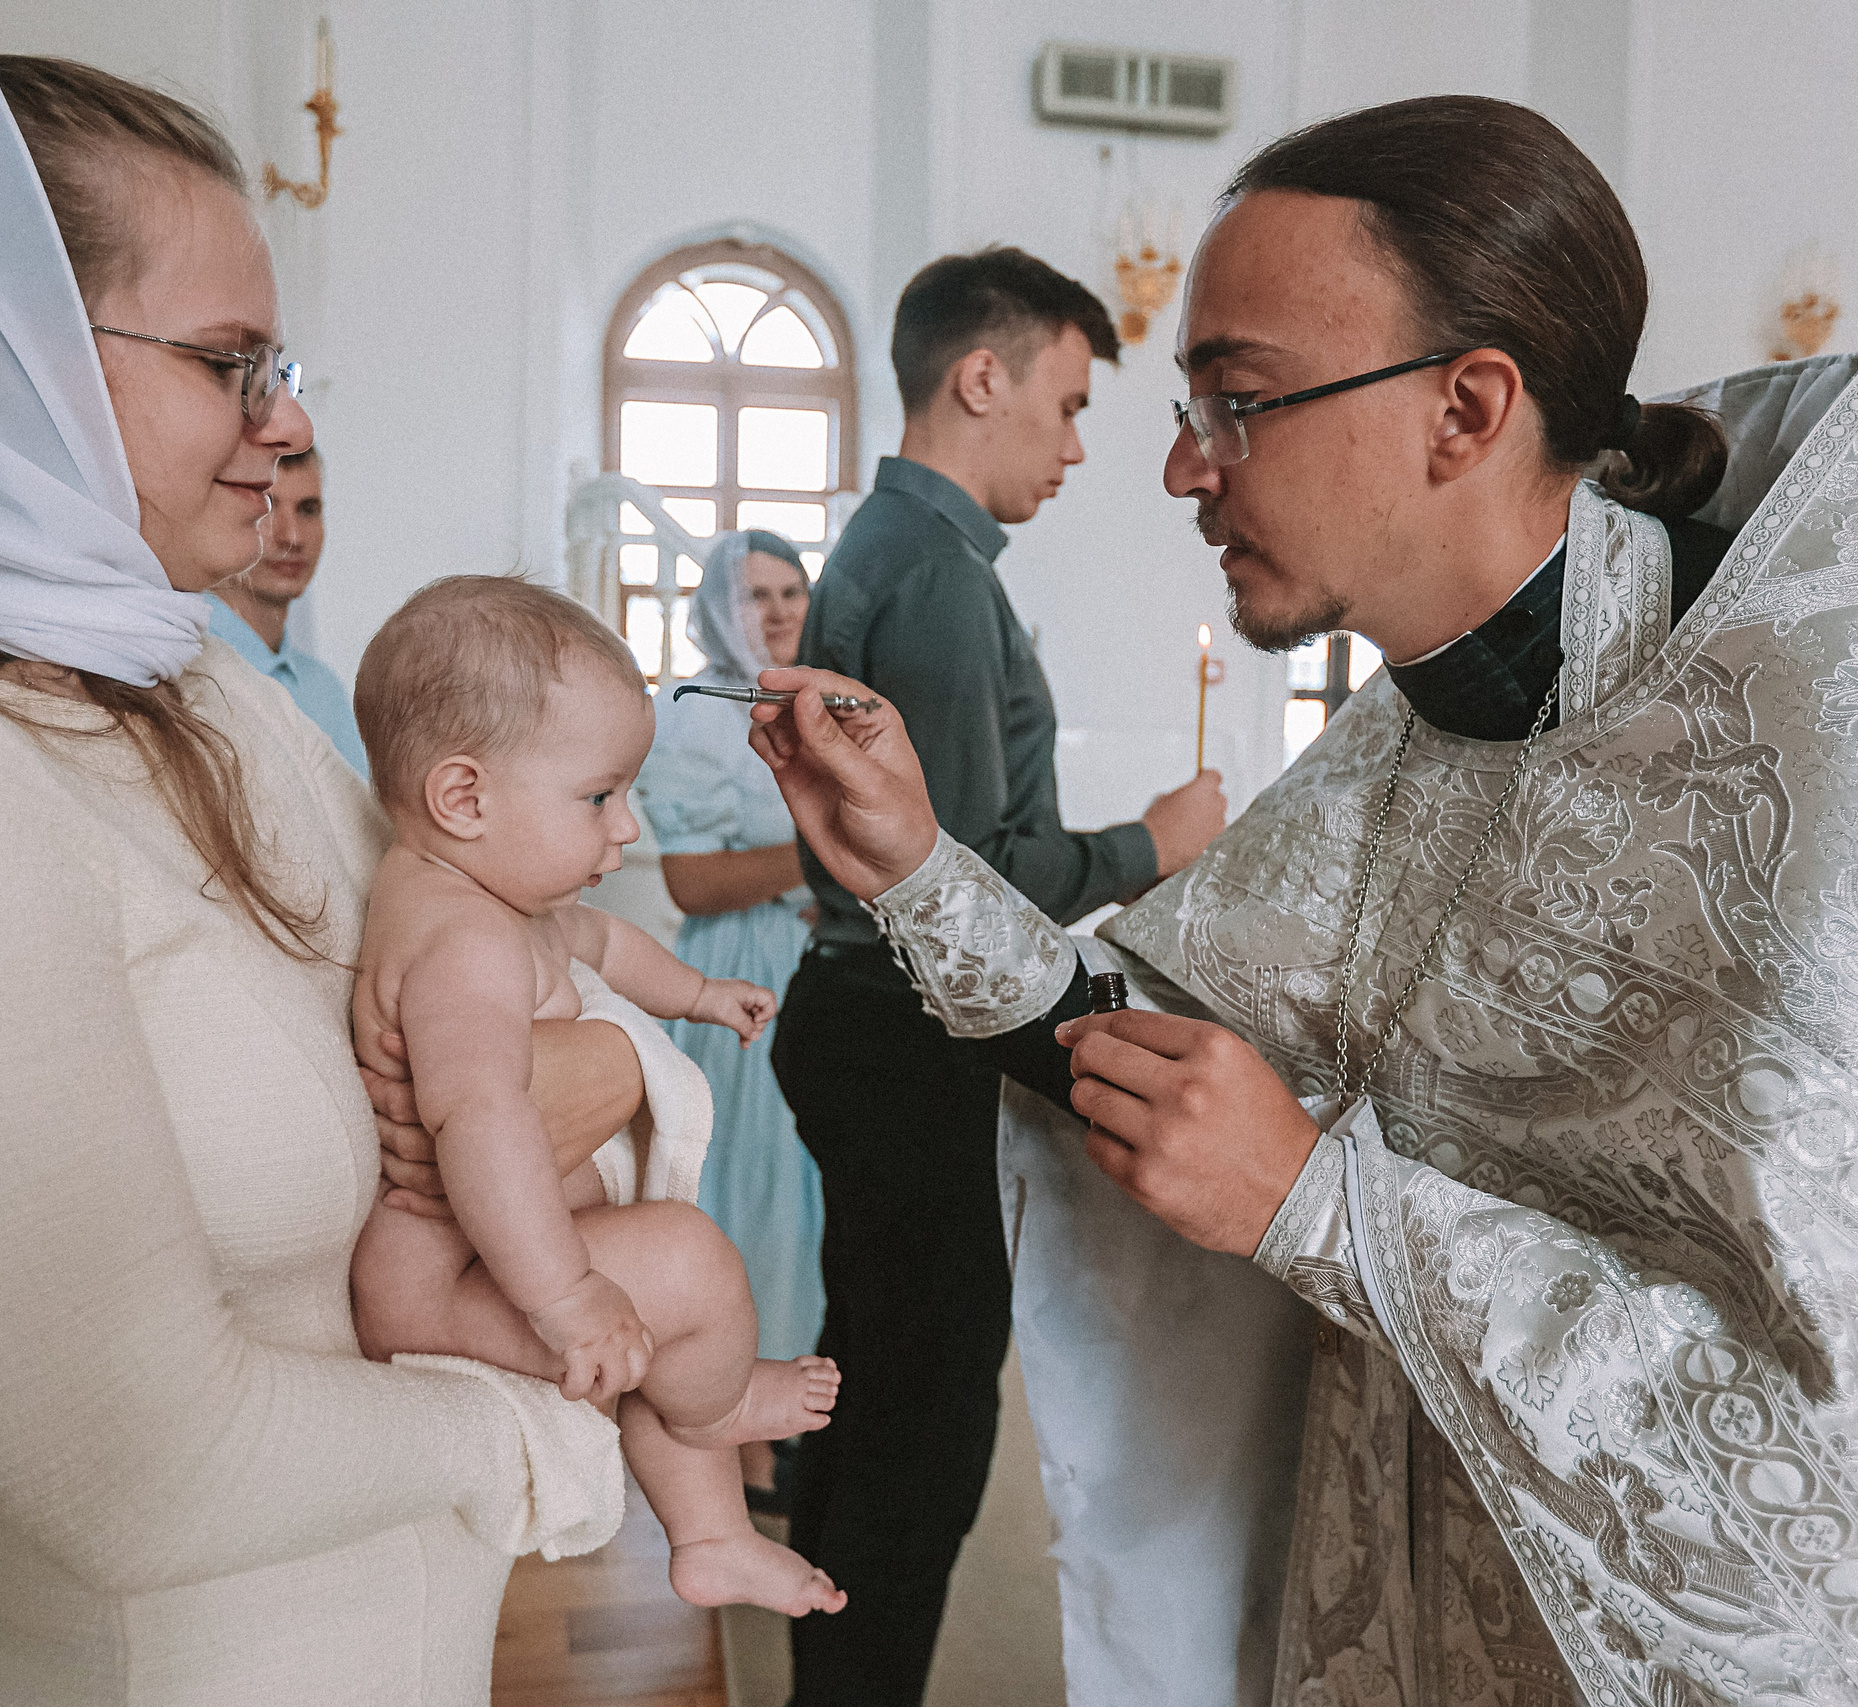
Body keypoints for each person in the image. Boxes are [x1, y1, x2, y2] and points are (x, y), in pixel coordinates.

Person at [750, 98, 1858, 1707]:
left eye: (1238, 401)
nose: (1181, 466)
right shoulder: (1409, 736)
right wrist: (917, 865)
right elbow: (1169, 1055)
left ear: (1465, 408)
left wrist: (1323, 1207)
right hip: (1404, 1583)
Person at [0, 55, 640, 1704]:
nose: (286, 423)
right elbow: (140, 1469)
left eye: (278, 366)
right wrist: (547, 1435)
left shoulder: (203, 684)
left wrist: (588, 1073)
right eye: (232, 363)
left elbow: (536, 987)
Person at [770, 247, 1229, 1702]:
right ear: (982, 378)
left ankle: (831, 1667)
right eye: (1069, 404)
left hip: (858, 1010)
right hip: (910, 1031)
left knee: (870, 1379)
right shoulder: (938, 578)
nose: (1079, 447)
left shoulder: (896, 550)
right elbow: (957, 879)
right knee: (921, 1424)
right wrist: (1152, 841)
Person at [343, 573, 843, 1618]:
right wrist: (567, 1295)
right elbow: (480, 1117)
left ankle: (712, 1539)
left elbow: (605, 942)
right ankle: (716, 1410)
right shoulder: (461, 944)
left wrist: (698, 993)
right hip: (449, 1284)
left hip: (501, 1259)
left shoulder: (490, 895)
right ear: (464, 798)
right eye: (599, 797)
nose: (627, 828)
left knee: (664, 1291)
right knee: (688, 1263)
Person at [638, 530, 828, 1505]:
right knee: (750, 1194)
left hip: (820, 962)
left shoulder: (822, 700)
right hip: (738, 976)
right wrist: (819, 857)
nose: (780, 609)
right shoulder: (696, 716)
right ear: (717, 608)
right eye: (757, 594)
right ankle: (738, 1428)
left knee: (813, 1198)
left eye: (793, 590)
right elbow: (691, 880)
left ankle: (800, 1408)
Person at [205, 444, 370, 777]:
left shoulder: (324, 689)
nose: (291, 537)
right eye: (266, 506)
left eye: (308, 509)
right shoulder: (184, 663)